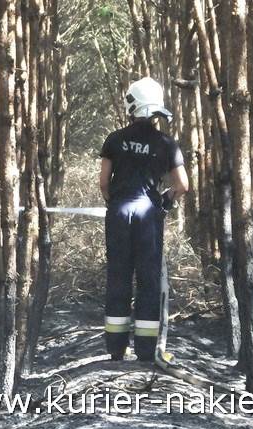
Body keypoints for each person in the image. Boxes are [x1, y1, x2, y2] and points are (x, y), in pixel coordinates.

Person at [98, 77, 189, 362]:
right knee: (148, 280)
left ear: (132, 104)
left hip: (119, 212)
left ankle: (116, 349)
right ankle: (146, 351)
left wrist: (114, 202)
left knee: (118, 278)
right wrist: (165, 201)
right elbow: (183, 185)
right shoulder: (167, 144)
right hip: (149, 217)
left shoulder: (114, 139)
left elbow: (103, 182)